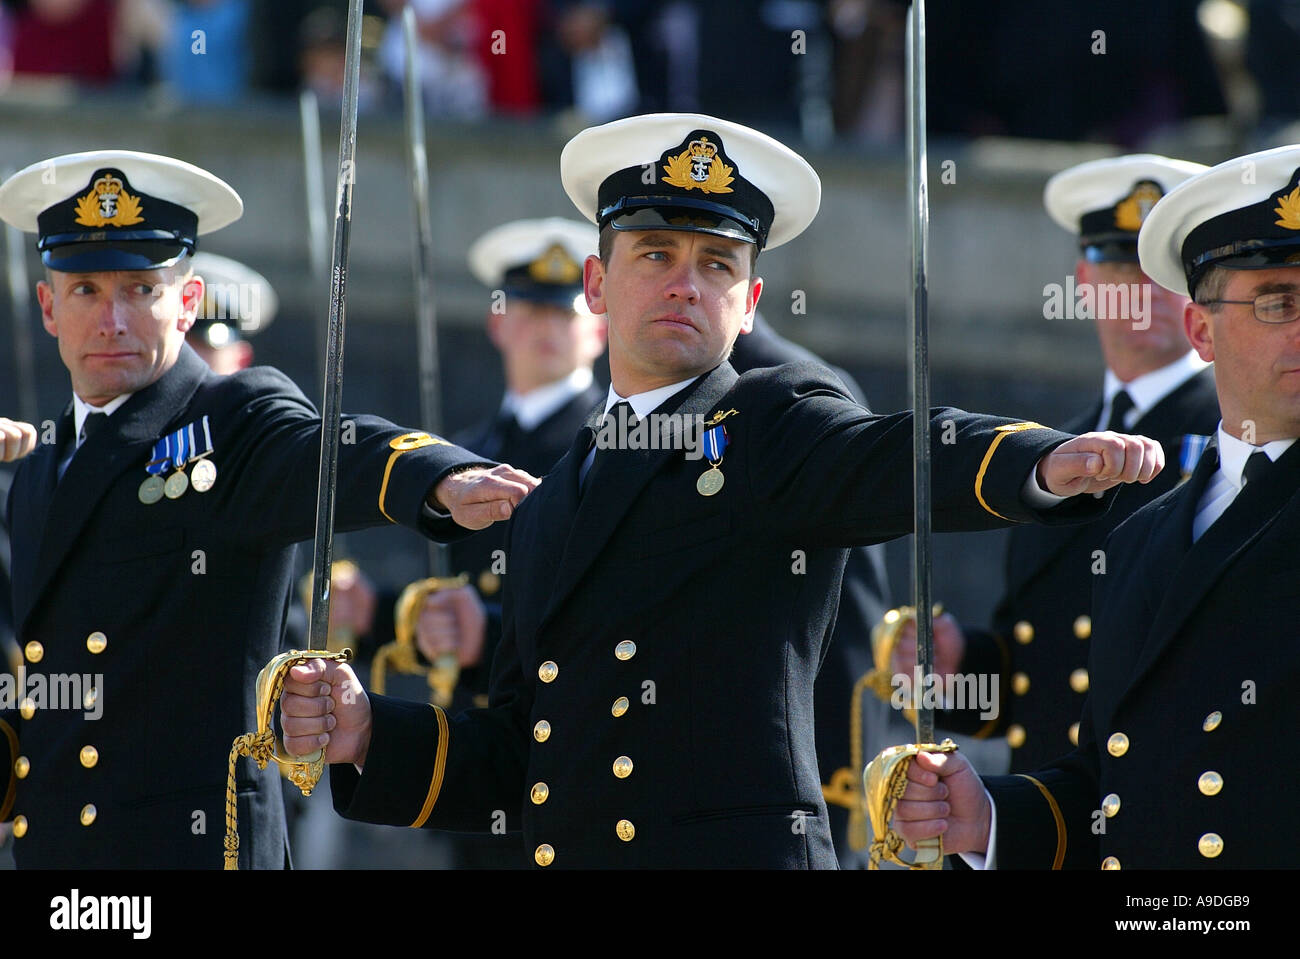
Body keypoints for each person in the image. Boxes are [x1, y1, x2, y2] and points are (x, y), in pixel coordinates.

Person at [282, 113, 1164, 869]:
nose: (684, 282)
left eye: (716, 263)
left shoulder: (771, 423)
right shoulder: (553, 501)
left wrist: (1040, 465)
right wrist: (369, 732)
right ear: (598, 285)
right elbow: (523, 748)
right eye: (656, 251)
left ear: (750, 303)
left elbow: (894, 452)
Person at [0, 150, 538, 869]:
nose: (113, 318)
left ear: (187, 302)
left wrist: (442, 477)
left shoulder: (230, 417)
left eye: (141, 289)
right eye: (87, 290)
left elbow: (333, 449)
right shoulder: (37, 467)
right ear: (47, 309)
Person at [892, 144, 1300, 869]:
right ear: (1204, 329)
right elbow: (1112, 786)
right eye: (1278, 300)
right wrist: (985, 815)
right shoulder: (1147, 534)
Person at [890, 155, 1221, 772]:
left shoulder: (1234, 437)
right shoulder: (1053, 450)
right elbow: (1038, 675)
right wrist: (962, 668)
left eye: (1161, 270)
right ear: (1083, 279)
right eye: (1119, 264)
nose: (1138, 290)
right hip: (1050, 821)